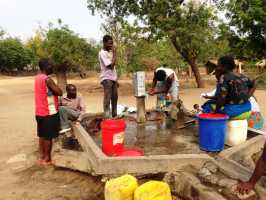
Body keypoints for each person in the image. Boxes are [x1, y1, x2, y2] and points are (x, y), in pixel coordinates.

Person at [34, 58, 62, 165]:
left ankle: (42, 156)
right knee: (48, 137)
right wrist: (56, 90)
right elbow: (59, 92)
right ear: (46, 67)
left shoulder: (37, 77)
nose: (52, 67)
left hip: (39, 111)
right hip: (48, 112)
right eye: (51, 65)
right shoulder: (47, 79)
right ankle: (47, 159)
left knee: (42, 134)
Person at [99, 35, 118, 118]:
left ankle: (114, 115)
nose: (111, 45)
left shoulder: (110, 52)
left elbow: (113, 69)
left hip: (113, 78)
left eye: (112, 43)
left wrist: (116, 79)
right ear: (104, 43)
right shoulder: (102, 53)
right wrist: (115, 54)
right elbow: (111, 66)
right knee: (108, 98)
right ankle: (107, 117)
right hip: (106, 78)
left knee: (115, 97)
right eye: (109, 44)